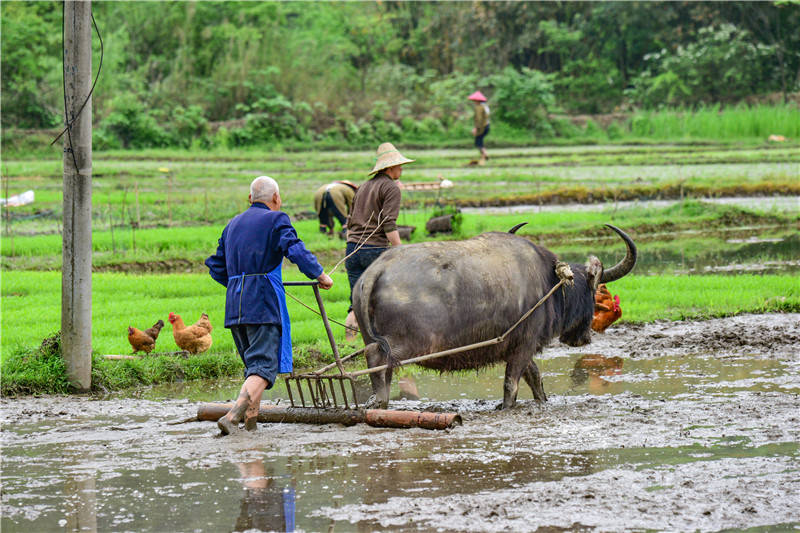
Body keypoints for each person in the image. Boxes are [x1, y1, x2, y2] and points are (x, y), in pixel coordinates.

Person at [205, 175, 333, 435]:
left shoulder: (232, 225)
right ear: (276, 198)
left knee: (254, 368)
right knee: (263, 367)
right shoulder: (277, 219)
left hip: (235, 304)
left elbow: (216, 266)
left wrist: (239, 285)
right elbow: (294, 249)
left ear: (250, 199)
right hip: (262, 301)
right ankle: (232, 417)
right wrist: (320, 275)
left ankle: (251, 425)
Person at [344, 142, 414, 340]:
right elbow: (388, 223)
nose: (401, 169)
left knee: (356, 303)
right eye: (399, 165)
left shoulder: (363, 187)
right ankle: (385, 343)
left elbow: (349, 223)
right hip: (374, 250)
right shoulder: (391, 188)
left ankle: (348, 344)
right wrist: (400, 251)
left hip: (352, 251)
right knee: (383, 301)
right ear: (390, 168)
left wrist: (351, 247)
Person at [468, 90, 490, 165]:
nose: (474, 102)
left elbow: (479, 119)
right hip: (487, 126)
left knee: (478, 142)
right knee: (479, 141)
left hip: (482, 127)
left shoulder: (479, 107)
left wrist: (476, 128)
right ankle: (484, 155)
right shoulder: (485, 106)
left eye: (474, 100)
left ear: (477, 100)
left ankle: (484, 157)